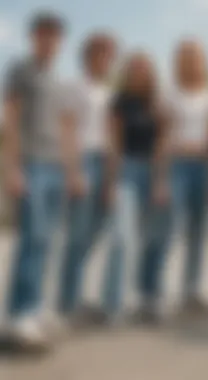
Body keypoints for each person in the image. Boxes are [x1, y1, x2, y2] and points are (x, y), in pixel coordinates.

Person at [2, 12, 66, 349]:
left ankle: (34, 307)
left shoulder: (56, 78)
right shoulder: (20, 70)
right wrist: (12, 168)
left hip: (54, 165)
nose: (50, 41)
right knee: (31, 238)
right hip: (31, 165)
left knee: (45, 241)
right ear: (34, 37)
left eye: (55, 36)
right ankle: (19, 315)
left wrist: (68, 169)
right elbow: (10, 121)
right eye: (44, 35)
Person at [103, 52, 171, 324]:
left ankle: (150, 297)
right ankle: (114, 305)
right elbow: (114, 145)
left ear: (151, 73)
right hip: (126, 170)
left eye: (143, 68)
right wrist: (111, 182)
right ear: (127, 73)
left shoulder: (158, 103)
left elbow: (162, 145)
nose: (138, 73)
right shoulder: (119, 102)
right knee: (121, 238)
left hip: (152, 170)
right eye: (133, 69)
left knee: (155, 237)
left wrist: (160, 181)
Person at [58, 33, 116, 324]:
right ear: (89, 56)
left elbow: (109, 135)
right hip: (83, 162)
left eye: (111, 55)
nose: (108, 60)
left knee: (94, 232)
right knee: (77, 235)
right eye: (103, 54)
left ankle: (74, 295)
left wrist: (109, 177)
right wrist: (74, 171)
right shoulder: (74, 86)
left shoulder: (106, 91)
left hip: (102, 163)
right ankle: (68, 304)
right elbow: (67, 129)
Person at [165, 39, 208, 315]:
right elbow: (165, 134)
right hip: (177, 165)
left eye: (195, 56)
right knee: (170, 227)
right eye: (184, 56)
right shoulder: (170, 94)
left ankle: (191, 290)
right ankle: (158, 292)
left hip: (205, 166)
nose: (190, 61)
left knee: (199, 231)